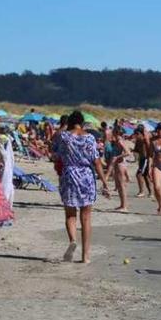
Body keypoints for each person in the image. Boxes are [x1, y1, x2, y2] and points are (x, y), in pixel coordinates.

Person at [53, 111, 110, 263]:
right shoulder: (90, 138)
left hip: (69, 174)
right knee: (86, 217)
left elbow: (55, 154)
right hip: (86, 176)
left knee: (70, 214)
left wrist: (64, 127)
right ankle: (86, 256)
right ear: (83, 123)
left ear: (70, 122)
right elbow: (97, 162)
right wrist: (104, 182)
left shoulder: (64, 137)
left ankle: (72, 240)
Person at [104, 129, 131, 212]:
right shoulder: (116, 141)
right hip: (117, 164)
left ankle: (124, 206)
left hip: (120, 164)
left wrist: (117, 157)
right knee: (119, 186)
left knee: (121, 186)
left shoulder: (120, 141)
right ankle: (122, 205)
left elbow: (128, 152)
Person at [133, 126, 152, 198]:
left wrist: (150, 160)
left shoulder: (145, 139)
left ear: (139, 133)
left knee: (139, 174)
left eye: (136, 134)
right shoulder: (138, 140)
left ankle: (141, 191)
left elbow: (149, 149)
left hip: (145, 159)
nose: (135, 136)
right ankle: (151, 192)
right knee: (145, 176)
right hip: (141, 159)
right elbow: (136, 150)